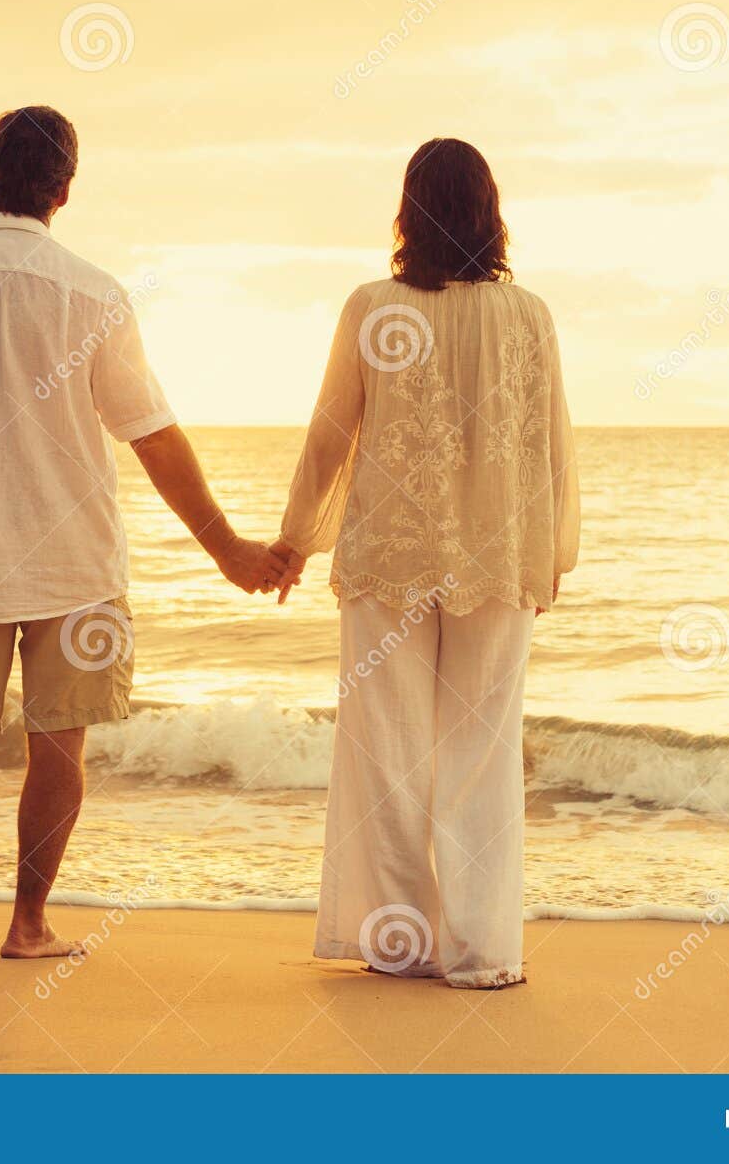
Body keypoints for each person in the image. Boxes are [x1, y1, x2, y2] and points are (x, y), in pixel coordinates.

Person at [0, 105, 294, 958]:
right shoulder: (93, 293)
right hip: (75, 562)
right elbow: (152, 434)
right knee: (59, 743)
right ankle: (27, 926)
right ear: (64, 189)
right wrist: (229, 550)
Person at [273, 137, 579, 988]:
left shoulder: (374, 305)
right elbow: (553, 444)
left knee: (389, 751)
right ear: (491, 210)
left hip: (390, 558)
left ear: (408, 211)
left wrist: (295, 538)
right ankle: (483, 954)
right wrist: (550, 554)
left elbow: (331, 435)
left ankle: (401, 944)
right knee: (482, 748)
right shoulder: (529, 315)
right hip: (497, 554)